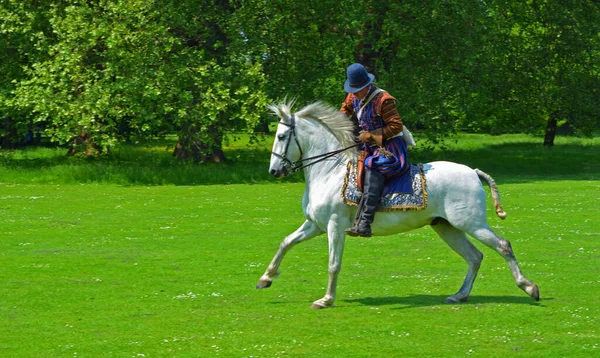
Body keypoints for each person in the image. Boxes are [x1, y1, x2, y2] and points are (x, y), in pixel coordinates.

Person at [340, 63, 409, 237]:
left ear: (366, 85)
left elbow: (396, 126)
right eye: (352, 90)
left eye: (357, 90)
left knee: (373, 167)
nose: (354, 94)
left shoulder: (383, 100)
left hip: (389, 146)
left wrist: (371, 136)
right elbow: (345, 111)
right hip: (366, 146)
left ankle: (365, 222)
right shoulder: (353, 96)